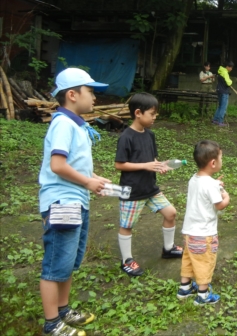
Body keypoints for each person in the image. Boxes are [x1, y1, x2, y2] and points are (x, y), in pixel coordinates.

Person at [38, 68, 110, 336]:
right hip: (62, 201)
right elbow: (57, 165)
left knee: (68, 261)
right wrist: (88, 182)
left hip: (76, 200)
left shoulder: (75, 124)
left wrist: (93, 177)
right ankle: (52, 323)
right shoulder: (63, 124)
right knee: (56, 262)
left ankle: (63, 309)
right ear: (72, 94)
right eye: (90, 91)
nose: (94, 97)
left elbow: (71, 163)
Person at [115, 93, 183, 277]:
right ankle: (126, 260)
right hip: (132, 190)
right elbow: (119, 164)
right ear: (138, 113)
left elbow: (151, 158)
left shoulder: (150, 135)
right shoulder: (126, 137)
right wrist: (146, 165)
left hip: (150, 188)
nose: (154, 117)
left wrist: (159, 165)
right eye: (152, 114)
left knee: (171, 213)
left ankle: (168, 248)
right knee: (127, 225)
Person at [176, 140, 230, 306]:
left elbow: (205, 190)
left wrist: (216, 185)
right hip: (205, 234)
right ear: (213, 163)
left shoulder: (194, 179)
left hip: (189, 232)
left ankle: (184, 288)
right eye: (221, 158)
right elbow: (219, 204)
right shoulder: (211, 185)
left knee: (189, 259)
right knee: (204, 262)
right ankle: (203, 294)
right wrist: (226, 195)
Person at [212, 61, 234, 127]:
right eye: (230, 67)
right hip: (224, 91)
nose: (231, 69)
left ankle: (215, 119)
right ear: (227, 66)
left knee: (220, 106)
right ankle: (220, 121)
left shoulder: (220, 71)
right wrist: (231, 82)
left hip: (219, 90)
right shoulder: (225, 72)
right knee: (223, 107)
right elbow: (228, 82)